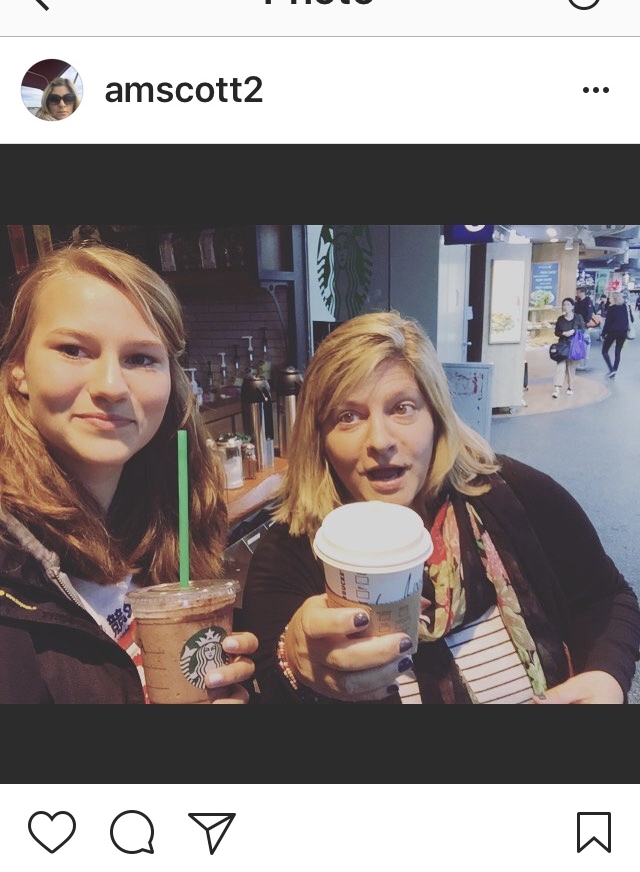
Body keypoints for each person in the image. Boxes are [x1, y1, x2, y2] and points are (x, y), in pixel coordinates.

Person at [242, 310, 639, 705]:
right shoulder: (286, 555)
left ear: (436, 416)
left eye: (402, 408)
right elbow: (273, 675)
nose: (380, 440)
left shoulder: (513, 494)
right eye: (348, 417)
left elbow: (606, 598)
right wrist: (295, 661)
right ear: (320, 439)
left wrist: (605, 677)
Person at [0, 244, 256, 703]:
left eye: (140, 358)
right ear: (19, 366)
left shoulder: (168, 517)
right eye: (73, 350)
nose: (110, 386)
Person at [552, 297, 585, 398]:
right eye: (564, 304)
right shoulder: (560, 319)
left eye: (568, 305)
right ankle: (557, 388)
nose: (565, 307)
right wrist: (563, 333)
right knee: (560, 366)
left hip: (574, 346)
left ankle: (570, 387)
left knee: (571, 368)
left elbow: (583, 330)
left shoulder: (578, 317)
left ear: (572, 307)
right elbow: (556, 332)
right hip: (562, 346)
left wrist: (574, 331)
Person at [601, 290, 630, 379]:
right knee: (618, 352)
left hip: (613, 332)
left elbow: (607, 323)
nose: (609, 299)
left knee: (604, 351)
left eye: (610, 298)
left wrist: (603, 334)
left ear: (614, 299)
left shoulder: (611, 308)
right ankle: (614, 371)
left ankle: (611, 370)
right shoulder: (624, 306)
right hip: (623, 332)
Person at [573, 286, 594, 370]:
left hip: (584, 326)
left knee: (585, 344)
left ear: (582, 292)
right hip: (577, 326)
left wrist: (586, 322)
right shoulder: (577, 302)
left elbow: (589, 313)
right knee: (578, 344)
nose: (576, 294)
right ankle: (578, 362)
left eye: (578, 292)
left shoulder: (588, 301)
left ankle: (584, 363)